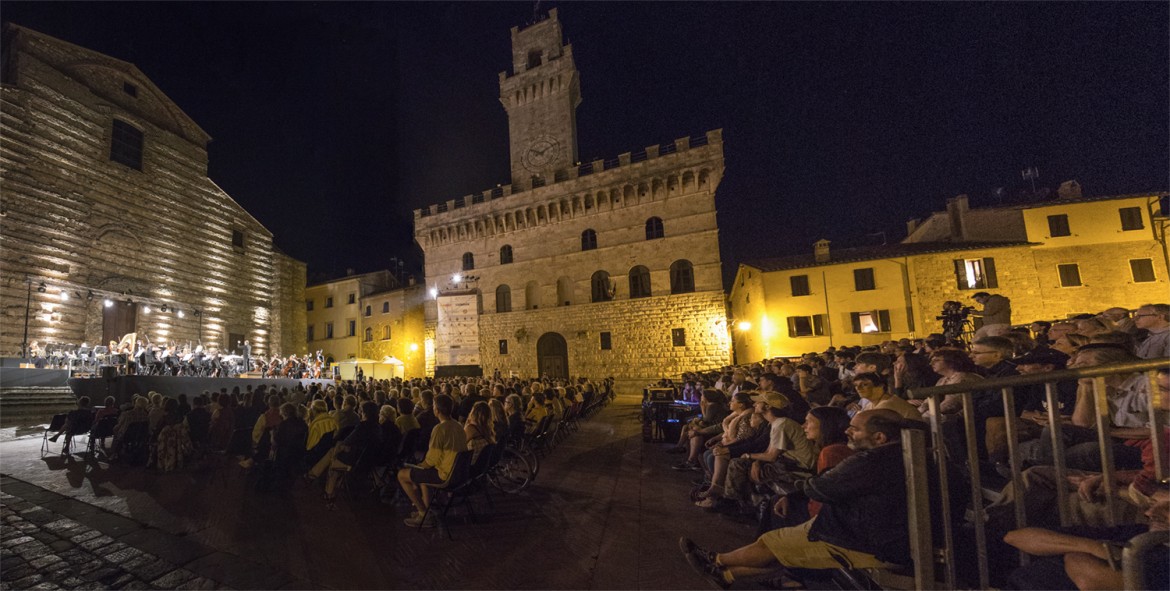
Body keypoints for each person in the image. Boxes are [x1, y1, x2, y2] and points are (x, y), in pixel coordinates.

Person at [679, 410, 913, 589]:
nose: (848, 432)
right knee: (782, 546)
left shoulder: (867, 461)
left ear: (880, 437)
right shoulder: (899, 456)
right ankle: (726, 575)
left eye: (855, 429)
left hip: (858, 538)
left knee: (773, 543)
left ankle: (717, 560)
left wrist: (802, 488)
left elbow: (820, 487)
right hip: (861, 528)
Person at [398, 394, 467, 527]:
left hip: (444, 474)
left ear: (437, 410)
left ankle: (422, 512)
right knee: (423, 478)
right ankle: (427, 510)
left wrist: (417, 466)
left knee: (402, 475)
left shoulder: (440, 429)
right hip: (458, 471)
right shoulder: (458, 426)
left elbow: (431, 459)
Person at [307, 401, 381, 506]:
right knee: (334, 451)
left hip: (354, 462)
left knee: (334, 456)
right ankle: (314, 475)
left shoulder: (362, 427)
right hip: (367, 461)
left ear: (364, 412)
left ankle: (326, 490)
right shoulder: (377, 427)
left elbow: (347, 441)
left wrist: (342, 448)